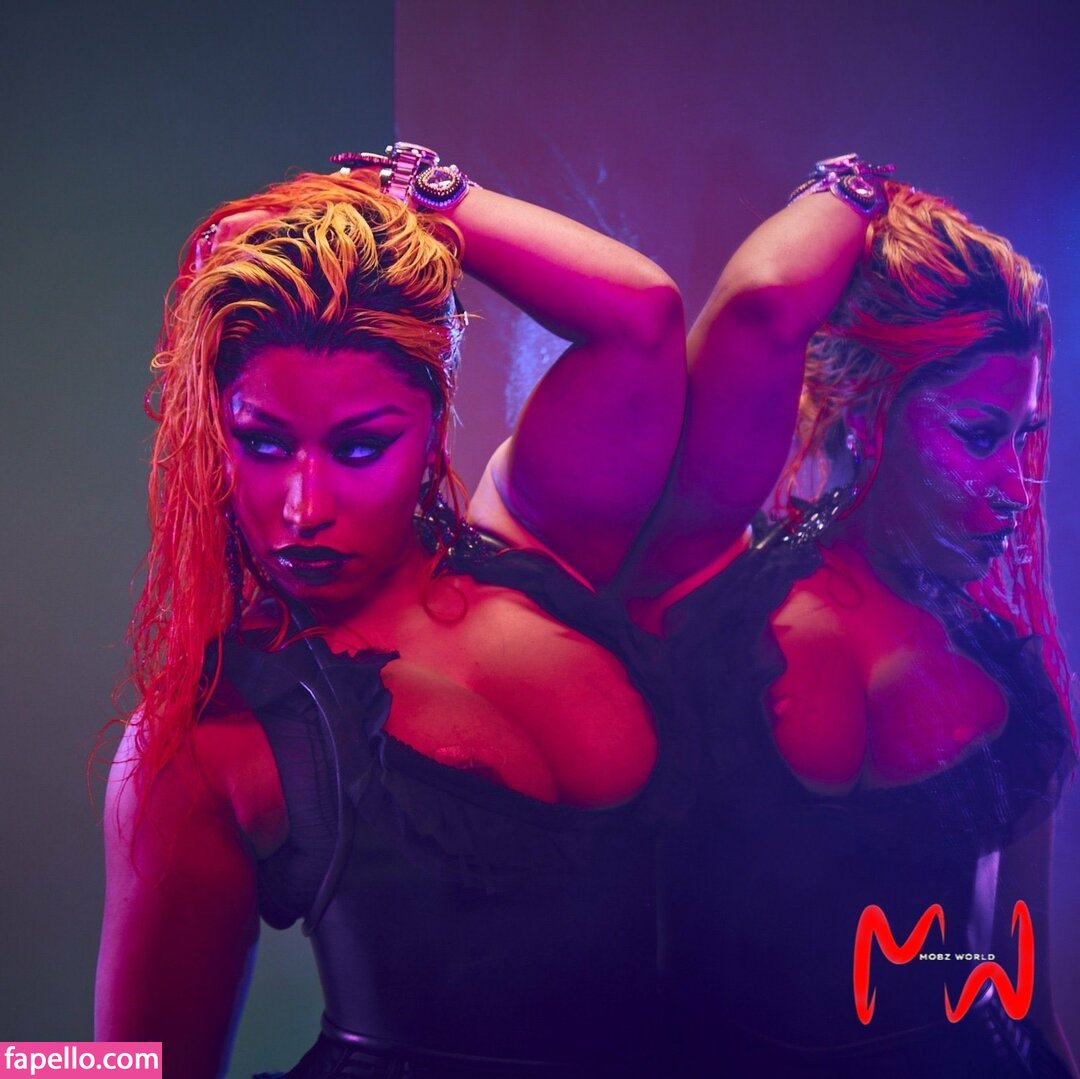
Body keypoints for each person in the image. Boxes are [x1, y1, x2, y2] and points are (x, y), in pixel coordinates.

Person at [95, 147, 687, 1079]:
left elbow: (642, 318)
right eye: (262, 443)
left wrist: (411, 194)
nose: (303, 508)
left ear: (433, 425)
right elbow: (126, 1067)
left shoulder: (538, 542)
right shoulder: (206, 737)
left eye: (360, 448)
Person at [623, 157, 1077, 1076]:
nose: (1013, 487)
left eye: (1022, 439)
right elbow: (760, 301)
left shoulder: (1004, 667)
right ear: (869, 411)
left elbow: (1022, 988)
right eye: (978, 435)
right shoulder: (710, 610)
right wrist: (855, 189)